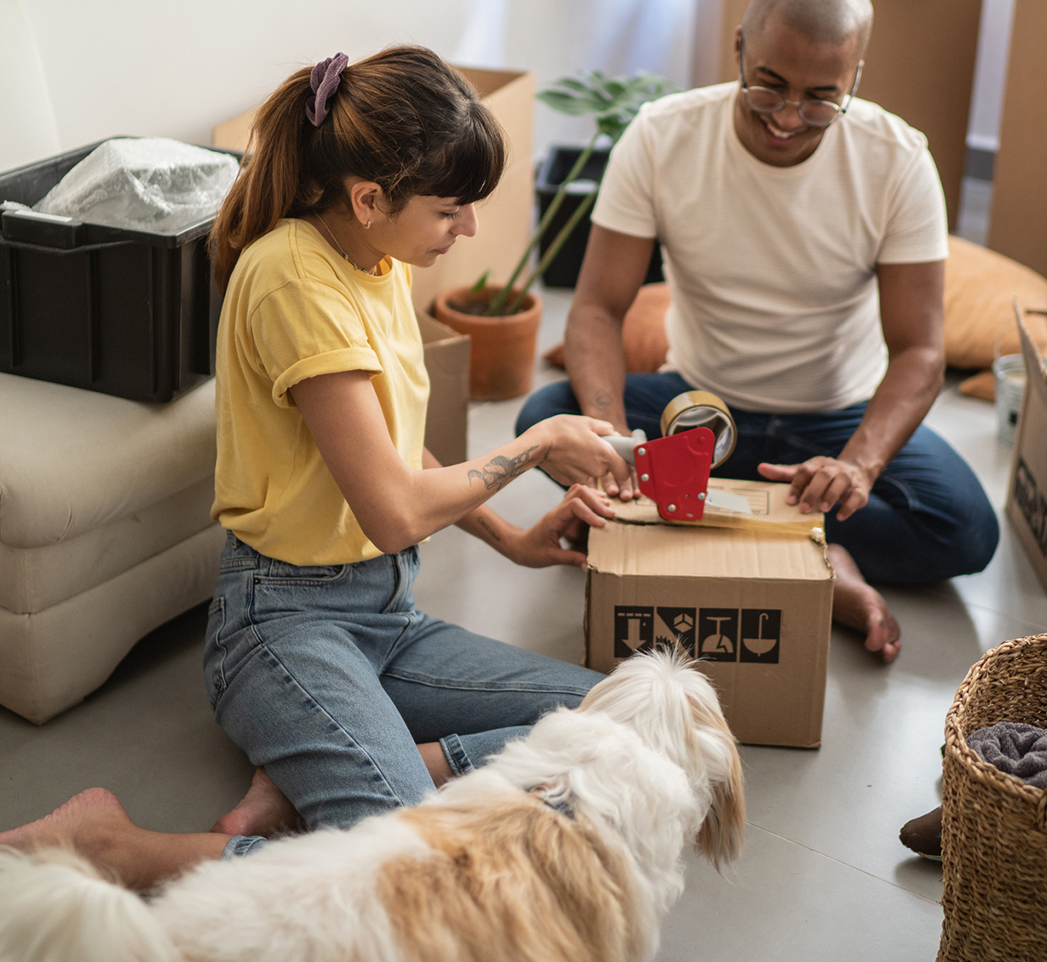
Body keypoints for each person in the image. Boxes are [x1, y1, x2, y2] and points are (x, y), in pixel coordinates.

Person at [0, 46, 630, 887]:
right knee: (412, 872)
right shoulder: (294, 283)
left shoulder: (378, 258)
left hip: (388, 614)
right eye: (452, 210)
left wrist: (511, 540)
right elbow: (395, 510)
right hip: (282, 625)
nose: (469, 229)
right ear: (370, 199)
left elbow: (393, 449)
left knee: (614, 720)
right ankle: (113, 846)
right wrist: (539, 444)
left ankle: (353, 769)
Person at [516, 0, 999, 664]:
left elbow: (923, 350)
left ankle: (697, 522)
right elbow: (595, 307)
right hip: (698, 408)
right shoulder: (660, 137)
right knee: (544, 422)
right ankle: (810, 554)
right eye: (769, 83)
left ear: (856, 79)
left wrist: (859, 466)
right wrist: (612, 435)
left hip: (836, 414)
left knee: (964, 530)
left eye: (819, 98)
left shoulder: (897, 161)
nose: (787, 116)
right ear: (738, 46)